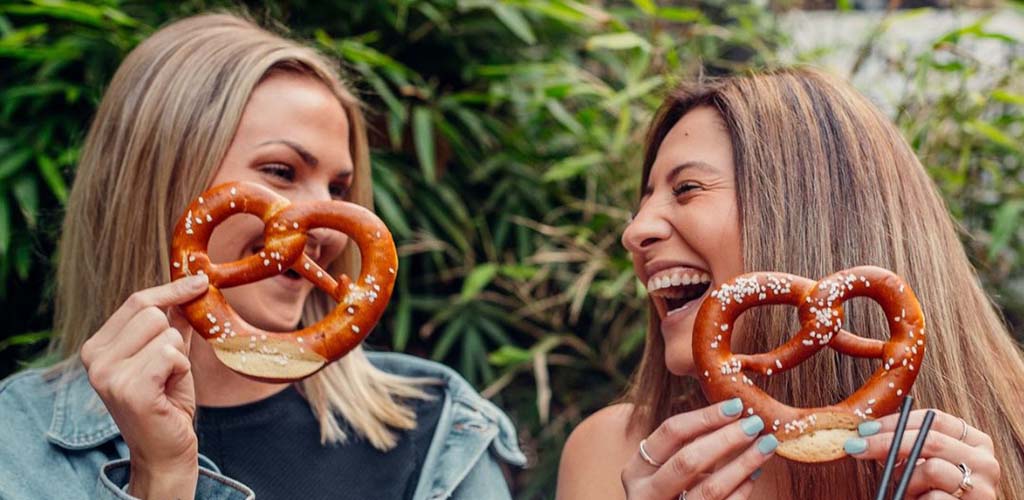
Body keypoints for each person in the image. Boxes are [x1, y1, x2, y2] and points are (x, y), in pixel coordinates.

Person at [0, 13, 524, 500]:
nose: (327, 230)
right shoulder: (14, 440)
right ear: (159, 179)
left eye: (338, 188)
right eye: (281, 171)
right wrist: (160, 481)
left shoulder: (442, 433)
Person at [557, 68, 1024, 499]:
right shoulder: (606, 457)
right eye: (643, 201)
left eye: (687, 189)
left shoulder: (1011, 435)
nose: (635, 231)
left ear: (811, 214)